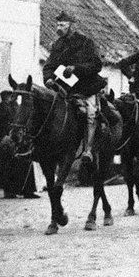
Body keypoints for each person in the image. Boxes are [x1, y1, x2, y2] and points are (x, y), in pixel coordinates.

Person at [42, 10, 106, 164]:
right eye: (58, 24)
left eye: (62, 24)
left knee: (91, 114)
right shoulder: (57, 45)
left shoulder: (86, 43)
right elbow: (49, 65)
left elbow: (97, 65)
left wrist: (76, 68)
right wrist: (49, 79)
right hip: (65, 89)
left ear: (70, 26)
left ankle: (88, 150)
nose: (59, 27)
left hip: (86, 87)